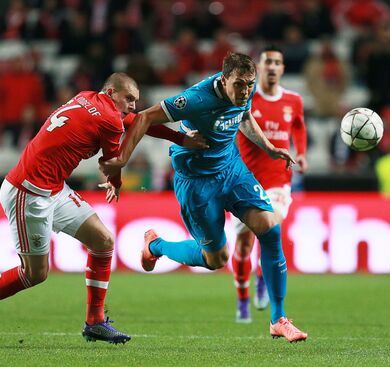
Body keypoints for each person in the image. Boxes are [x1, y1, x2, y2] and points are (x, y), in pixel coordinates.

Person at [0, 72, 207, 345]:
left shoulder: (86, 97)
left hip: (54, 188)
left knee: (104, 241)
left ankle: (94, 322)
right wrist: (115, 183)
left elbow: (135, 121)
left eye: (136, 100)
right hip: (28, 192)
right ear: (110, 93)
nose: (133, 105)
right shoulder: (109, 119)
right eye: (129, 98)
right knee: (34, 274)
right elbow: (112, 164)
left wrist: (179, 139)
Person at [101, 53, 308, 342]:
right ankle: (156, 246)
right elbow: (144, 117)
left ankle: (278, 319)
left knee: (271, 227)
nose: (246, 90)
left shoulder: (244, 92)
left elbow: (244, 116)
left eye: (250, 84)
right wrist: (121, 159)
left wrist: (269, 148)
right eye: (239, 84)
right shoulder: (196, 99)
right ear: (224, 80)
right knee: (216, 259)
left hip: (232, 170)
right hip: (197, 183)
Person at [232, 45, 308, 323]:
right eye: (268, 62)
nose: (273, 66)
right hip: (244, 182)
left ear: (283, 69)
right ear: (259, 68)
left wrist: (301, 152)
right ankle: (242, 299)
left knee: (270, 230)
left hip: (279, 182)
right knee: (242, 246)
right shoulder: (245, 98)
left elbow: (299, 125)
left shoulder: (294, 100)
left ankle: (264, 280)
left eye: (278, 62)